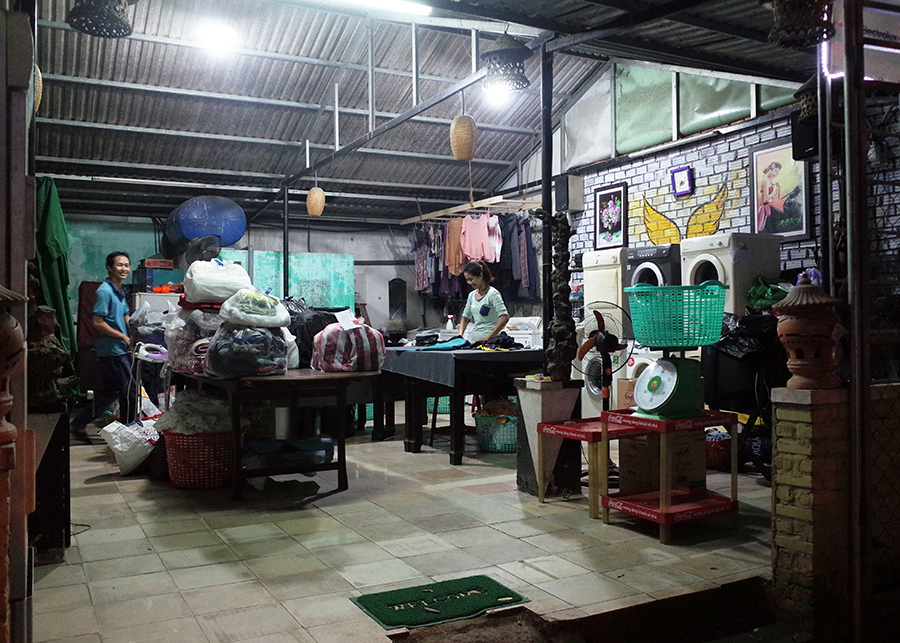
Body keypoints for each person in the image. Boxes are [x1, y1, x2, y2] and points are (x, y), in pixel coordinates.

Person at [70, 252, 139, 442]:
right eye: (119, 265)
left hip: (120, 348)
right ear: (109, 268)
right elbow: (97, 322)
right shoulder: (104, 292)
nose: (124, 269)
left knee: (111, 392)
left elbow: (125, 315)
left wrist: (137, 329)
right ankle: (128, 433)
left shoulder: (119, 292)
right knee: (130, 391)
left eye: (127, 265)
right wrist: (123, 336)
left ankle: (78, 423)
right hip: (112, 350)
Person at [458, 260, 509, 342]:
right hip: (475, 341)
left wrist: (488, 338)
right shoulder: (471, 295)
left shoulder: (493, 294)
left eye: (471, 279)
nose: (470, 283)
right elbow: (465, 318)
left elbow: (504, 317)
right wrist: (459, 336)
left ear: (480, 276)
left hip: (491, 342)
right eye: (467, 280)